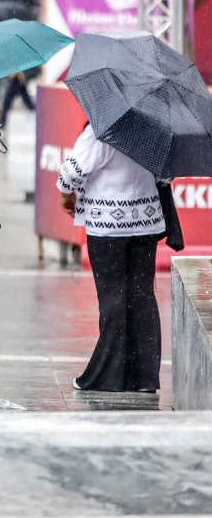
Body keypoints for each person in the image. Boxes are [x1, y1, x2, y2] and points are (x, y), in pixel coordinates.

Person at [57, 125, 166, 392]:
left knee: (112, 297)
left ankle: (109, 376)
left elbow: (73, 171)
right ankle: (144, 377)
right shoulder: (156, 128)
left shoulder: (102, 129)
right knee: (142, 295)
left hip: (107, 226)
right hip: (146, 221)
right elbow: (167, 175)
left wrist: (65, 193)